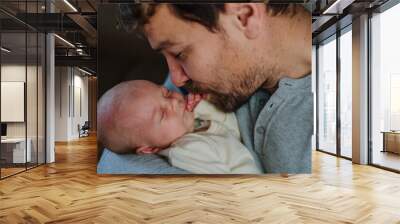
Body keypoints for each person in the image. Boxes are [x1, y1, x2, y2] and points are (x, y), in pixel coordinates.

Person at [98, 3, 313, 174]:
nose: (175, 79)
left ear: (244, 16)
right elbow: (115, 151)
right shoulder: (194, 85)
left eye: (179, 53)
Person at [97, 80, 262, 174]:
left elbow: (232, 131)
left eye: (166, 93)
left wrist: (205, 105)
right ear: (149, 149)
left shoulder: (186, 125)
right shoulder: (187, 152)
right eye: (162, 114)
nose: (174, 102)